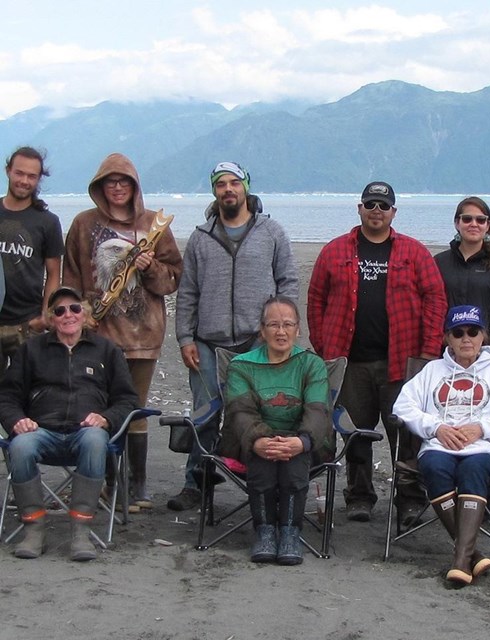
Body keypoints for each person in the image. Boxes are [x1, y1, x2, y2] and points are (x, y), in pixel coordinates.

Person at [307, 181, 447, 524]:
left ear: (393, 213)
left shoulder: (414, 252)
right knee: (354, 433)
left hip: (401, 362)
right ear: (359, 208)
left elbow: (435, 299)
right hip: (351, 361)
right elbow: (315, 300)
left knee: (407, 434)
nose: (376, 211)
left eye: (383, 206)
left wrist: (428, 352)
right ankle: (359, 496)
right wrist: (325, 348)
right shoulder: (334, 251)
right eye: (370, 204)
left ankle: (410, 499)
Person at [169, 161, 299, 511]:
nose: (228, 190)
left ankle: (261, 481)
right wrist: (185, 338)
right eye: (221, 184)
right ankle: (197, 482)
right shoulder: (200, 237)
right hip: (208, 343)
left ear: (246, 186)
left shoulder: (271, 232)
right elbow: (187, 292)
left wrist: (281, 329)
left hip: (257, 344)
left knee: (260, 413)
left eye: (234, 183)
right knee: (205, 415)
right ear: (214, 191)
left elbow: (287, 282)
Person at [63, 153, 182, 510]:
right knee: (100, 409)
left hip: (144, 336)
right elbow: (70, 277)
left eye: (124, 181)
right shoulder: (83, 224)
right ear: (100, 186)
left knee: (136, 409)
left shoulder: (153, 225)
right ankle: (110, 483)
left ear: (134, 185)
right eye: (111, 181)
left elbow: (173, 278)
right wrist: (77, 314)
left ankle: (138, 485)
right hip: (98, 336)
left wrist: (150, 268)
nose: (117, 187)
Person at [0, 286, 139, 561]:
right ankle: (34, 528)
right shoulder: (31, 350)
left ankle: (81, 531)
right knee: (20, 446)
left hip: (85, 432)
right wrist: (17, 420)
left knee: (94, 439)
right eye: (60, 310)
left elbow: (127, 399)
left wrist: (107, 418)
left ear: (85, 313)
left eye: (75, 308)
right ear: (51, 318)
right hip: (41, 430)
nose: (68, 315)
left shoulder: (107, 350)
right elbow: (6, 396)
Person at [393, 305, 490, 585]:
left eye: (473, 331)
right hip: (438, 446)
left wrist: (482, 428)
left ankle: (459, 560)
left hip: (483, 449)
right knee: (433, 466)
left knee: (473, 471)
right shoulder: (432, 370)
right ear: (447, 339)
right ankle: (471, 555)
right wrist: (436, 427)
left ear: (483, 337)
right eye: (458, 332)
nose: (466, 338)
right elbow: (403, 406)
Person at [219, 296, 331, 564]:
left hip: (303, 439)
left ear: (298, 329)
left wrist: (301, 441)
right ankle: (265, 531)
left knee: (293, 459)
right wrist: (259, 440)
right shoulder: (241, 365)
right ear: (262, 330)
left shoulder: (312, 364)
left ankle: (291, 532)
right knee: (264, 456)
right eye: (273, 325)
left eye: (288, 324)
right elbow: (240, 411)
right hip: (252, 438)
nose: (281, 331)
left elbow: (317, 410)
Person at [435, 196, 490, 363]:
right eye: (467, 219)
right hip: (447, 354)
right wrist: (443, 335)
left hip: (489, 354)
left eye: (480, 220)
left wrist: (488, 333)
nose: (473, 224)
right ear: (457, 223)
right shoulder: (439, 263)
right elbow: (431, 306)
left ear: (488, 225)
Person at [0, 146, 64, 378]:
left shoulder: (47, 222)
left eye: (31, 176)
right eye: (19, 173)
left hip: (27, 322)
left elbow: (54, 273)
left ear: (38, 179)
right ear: (8, 171)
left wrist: (45, 315)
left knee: (28, 393)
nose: (24, 181)